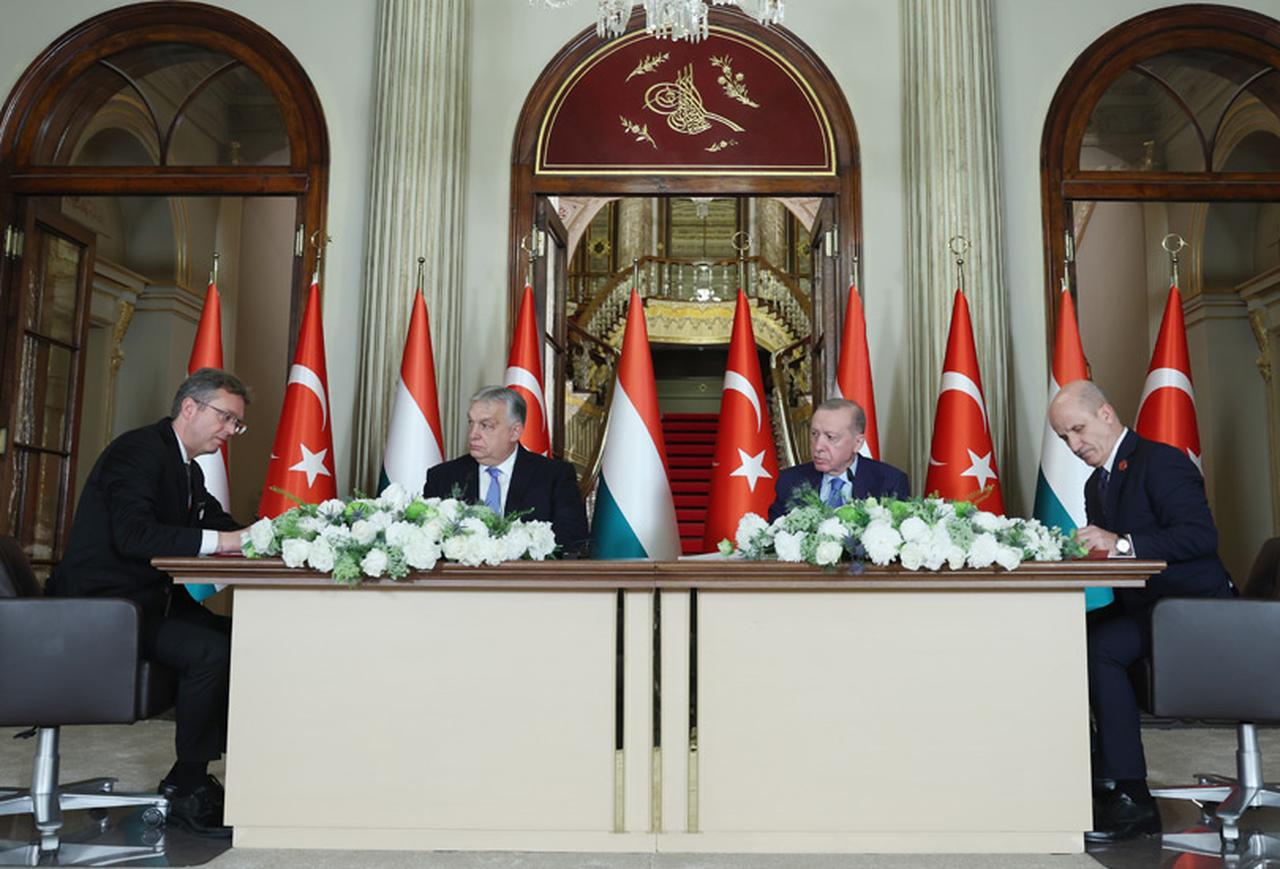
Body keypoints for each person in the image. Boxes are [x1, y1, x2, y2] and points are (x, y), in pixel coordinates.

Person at [47, 368, 250, 838]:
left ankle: (188, 775)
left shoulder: (186, 468)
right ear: (190, 407)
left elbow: (222, 524)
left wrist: (275, 536)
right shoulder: (138, 452)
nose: (230, 432)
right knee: (210, 652)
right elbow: (134, 535)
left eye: (237, 424)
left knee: (241, 637)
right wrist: (225, 542)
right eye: (226, 419)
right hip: (101, 613)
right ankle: (189, 790)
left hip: (144, 604)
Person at [1048, 379, 1233, 843]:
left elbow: (1199, 538)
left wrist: (1121, 543)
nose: (1074, 445)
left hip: (1194, 610)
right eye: (1065, 438)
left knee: (1102, 650)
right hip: (1149, 606)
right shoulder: (1098, 482)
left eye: (1079, 429)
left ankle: (1133, 797)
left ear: (1106, 414)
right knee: (1063, 637)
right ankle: (1100, 773)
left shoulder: (1162, 461)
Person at [424, 386, 588, 555]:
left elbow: (572, 541)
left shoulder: (555, 476)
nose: (473, 434)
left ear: (515, 431)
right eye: (471, 423)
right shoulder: (442, 477)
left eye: (486, 425)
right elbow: (428, 542)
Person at [768, 398, 909, 521]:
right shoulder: (790, 480)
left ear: (857, 443)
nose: (818, 446)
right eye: (814, 434)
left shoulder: (889, 482)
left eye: (830, 437)